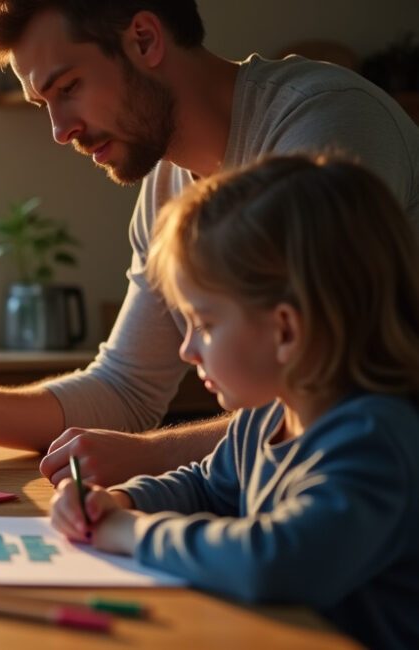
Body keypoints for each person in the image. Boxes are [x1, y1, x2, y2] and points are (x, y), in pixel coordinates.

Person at [0, 0, 419, 487]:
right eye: (44, 104)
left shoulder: (326, 127)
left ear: (145, 39)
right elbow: (127, 388)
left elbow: (323, 395)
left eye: (68, 88)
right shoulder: (168, 189)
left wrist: (149, 455)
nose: (59, 130)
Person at [49, 155, 419, 649]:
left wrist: (130, 531)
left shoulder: (374, 442)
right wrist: (122, 499)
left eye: (204, 325)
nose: (188, 349)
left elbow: (276, 563)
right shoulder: (264, 419)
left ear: (286, 330)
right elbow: (206, 487)